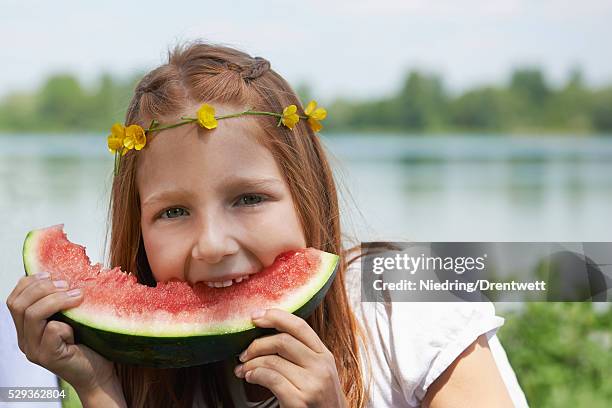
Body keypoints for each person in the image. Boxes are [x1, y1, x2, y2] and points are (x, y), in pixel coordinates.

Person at [5, 41, 528, 408]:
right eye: (173, 212)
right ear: (137, 227)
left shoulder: (406, 305)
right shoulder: (148, 367)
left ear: (306, 196)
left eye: (249, 198)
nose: (211, 245)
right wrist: (98, 388)